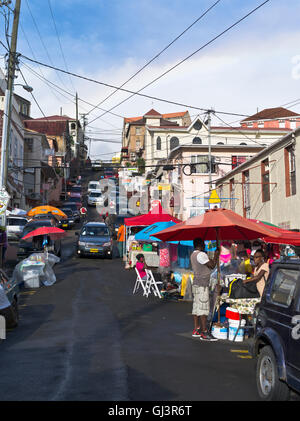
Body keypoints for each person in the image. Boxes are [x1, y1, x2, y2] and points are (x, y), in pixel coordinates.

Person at [190, 238, 220, 341]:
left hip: (196, 283)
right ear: (200, 244)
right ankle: (204, 332)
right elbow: (212, 265)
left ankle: (196, 329)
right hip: (202, 285)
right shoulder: (201, 254)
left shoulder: (193, 254)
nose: (205, 245)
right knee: (203, 308)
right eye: (203, 243)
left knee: (197, 307)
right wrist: (216, 255)